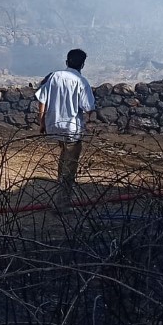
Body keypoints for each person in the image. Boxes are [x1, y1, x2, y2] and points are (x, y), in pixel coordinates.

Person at [36, 48, 96, 210]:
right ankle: (62, 203)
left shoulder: (54, 76)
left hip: (54, 126)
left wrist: (42, 122)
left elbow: (42, 99)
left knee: (64, 158)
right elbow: (88, 107)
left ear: (66, 61)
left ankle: (61, 188)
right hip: (71, 128)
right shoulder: (81, 81)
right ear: (82, 64)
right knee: (70, 165)